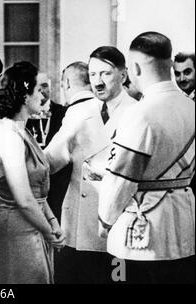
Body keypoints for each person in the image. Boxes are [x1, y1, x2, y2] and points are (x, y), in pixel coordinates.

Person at [98, 31, 195, 284]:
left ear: (135, 68)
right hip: (185, 224)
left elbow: (121, 178)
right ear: (171, 65)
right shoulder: (192, 108)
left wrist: (105, 220)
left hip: (140, 233)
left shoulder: (139, 114)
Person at [45, 46, 136, 283]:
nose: (98, 82)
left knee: (116, 279)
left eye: (105, 74)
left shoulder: (138, 113)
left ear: (123, 75)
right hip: (78, 222)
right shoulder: (78, 112)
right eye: (93, 75)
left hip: (117, 220)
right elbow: (52, 160)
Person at [0, 61, 65, 284]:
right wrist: (49, 231)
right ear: (24, 95)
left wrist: (52, 221)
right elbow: (23, 198)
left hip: (34, 224)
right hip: (17, 230)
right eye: (38, 89)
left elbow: (36, 191)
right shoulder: (9, 135)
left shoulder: (22, 131)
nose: (43, 95)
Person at [26, 72, 66, 148]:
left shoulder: (62, 112)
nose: (41, 90)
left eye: (44, 86)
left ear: (51, 88)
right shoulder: (24, 113)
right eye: (36, 86)